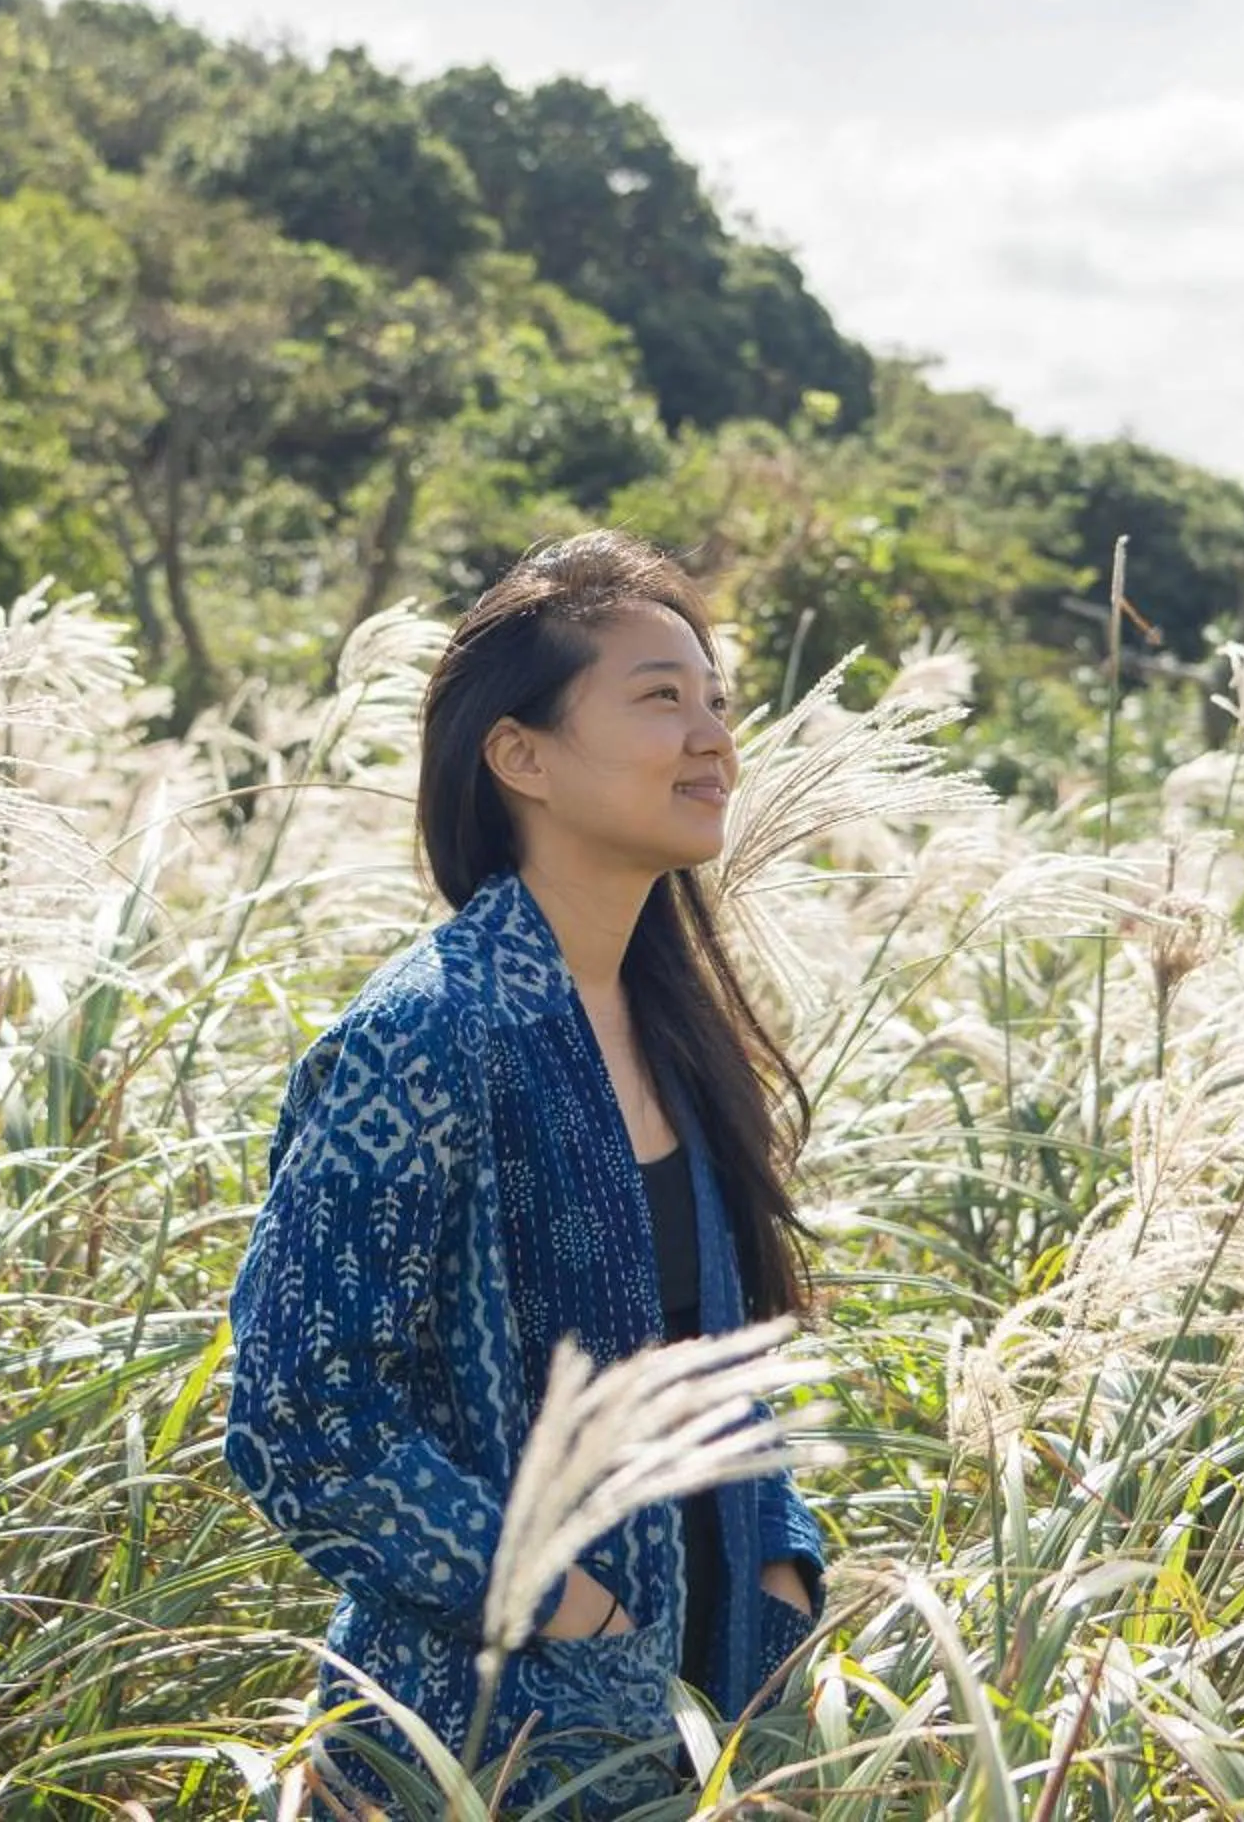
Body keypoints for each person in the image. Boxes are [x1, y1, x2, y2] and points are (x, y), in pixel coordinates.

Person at [224, 530, 829, 1814]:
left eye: (717, 700)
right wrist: (568, 1600)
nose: (713, 736)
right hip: (467, 1752)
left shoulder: (674, 1029)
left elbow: (723, 1364)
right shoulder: (424, 1035)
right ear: (522, 755)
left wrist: (778, 1575)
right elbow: (303, 1418)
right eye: (661, 698)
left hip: (704, 1739)